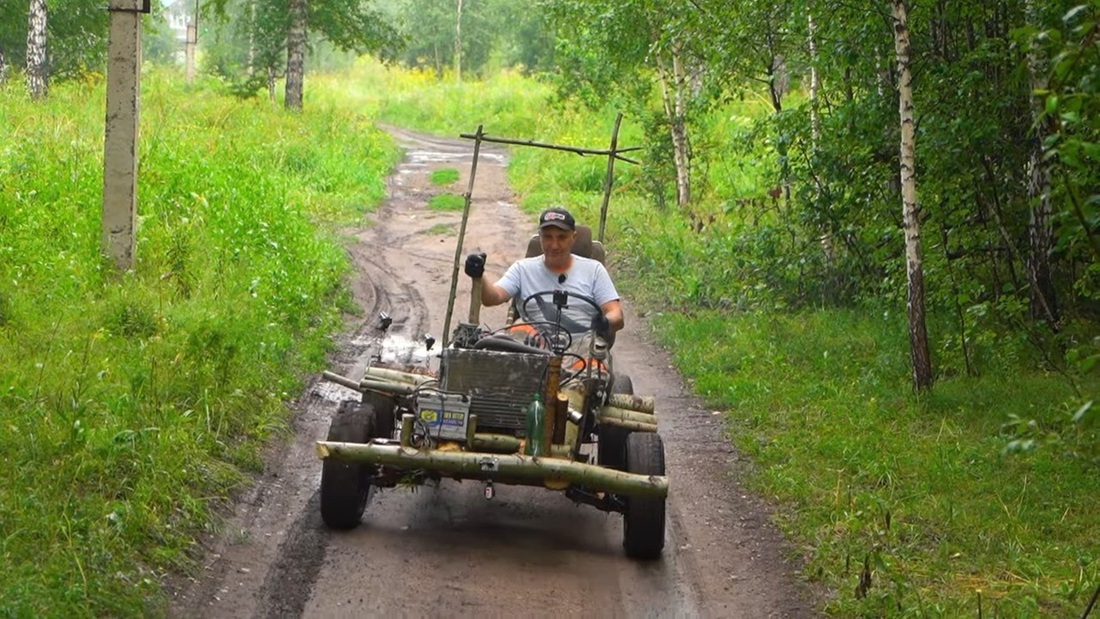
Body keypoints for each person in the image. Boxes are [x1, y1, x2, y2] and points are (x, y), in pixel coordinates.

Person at [464, 206, 624, 342]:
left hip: (580, 348)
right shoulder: (522, 269)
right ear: (540, 237)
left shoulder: (594, 270)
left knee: (593, 371)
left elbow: (616, 313)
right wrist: (479, 275)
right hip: (531, 348)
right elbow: (493, 298)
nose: (554, 245)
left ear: (573, 237)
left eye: (562, 237)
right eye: (548, 237)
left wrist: (605, 322)